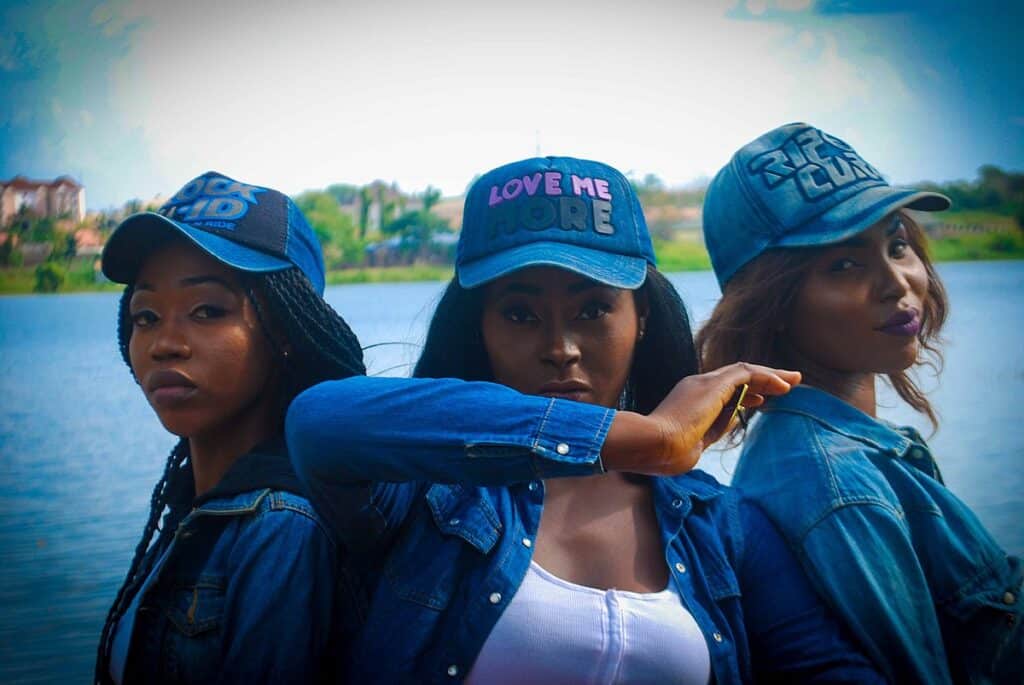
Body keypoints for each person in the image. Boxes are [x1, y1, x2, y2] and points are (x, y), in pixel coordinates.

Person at [285, 156, 884, 683]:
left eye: (593, 308)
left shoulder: (721, 526)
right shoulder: (423, 497)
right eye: (520, 314)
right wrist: (649, 437)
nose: (561, 347)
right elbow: (317, 420)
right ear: (480, 328)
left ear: (642, 317)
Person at [697, 122, 1023, 684]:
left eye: (897, 245)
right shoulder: (839, 489)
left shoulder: (846, 454)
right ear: (770, 302)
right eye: (844, 265)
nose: (898, 282)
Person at [95, 172, 367, 684]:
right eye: (147, 315)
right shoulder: (195, 507)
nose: (164, 344)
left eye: (207, 311)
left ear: (285, 330)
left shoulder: (281, 526)